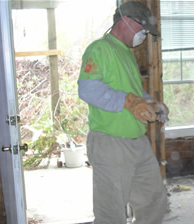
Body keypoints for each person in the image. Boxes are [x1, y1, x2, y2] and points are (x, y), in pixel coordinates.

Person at [77, 1, 169, 224]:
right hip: (111, 144)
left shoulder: (127, 53)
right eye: (143, 29)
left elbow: (133, 91)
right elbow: (88, 89)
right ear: (126, 22)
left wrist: (151, 103)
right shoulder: (100, 49)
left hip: (137, 143)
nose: (144, 35)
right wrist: (129, 103)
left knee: (154, 203)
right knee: (112, 214)